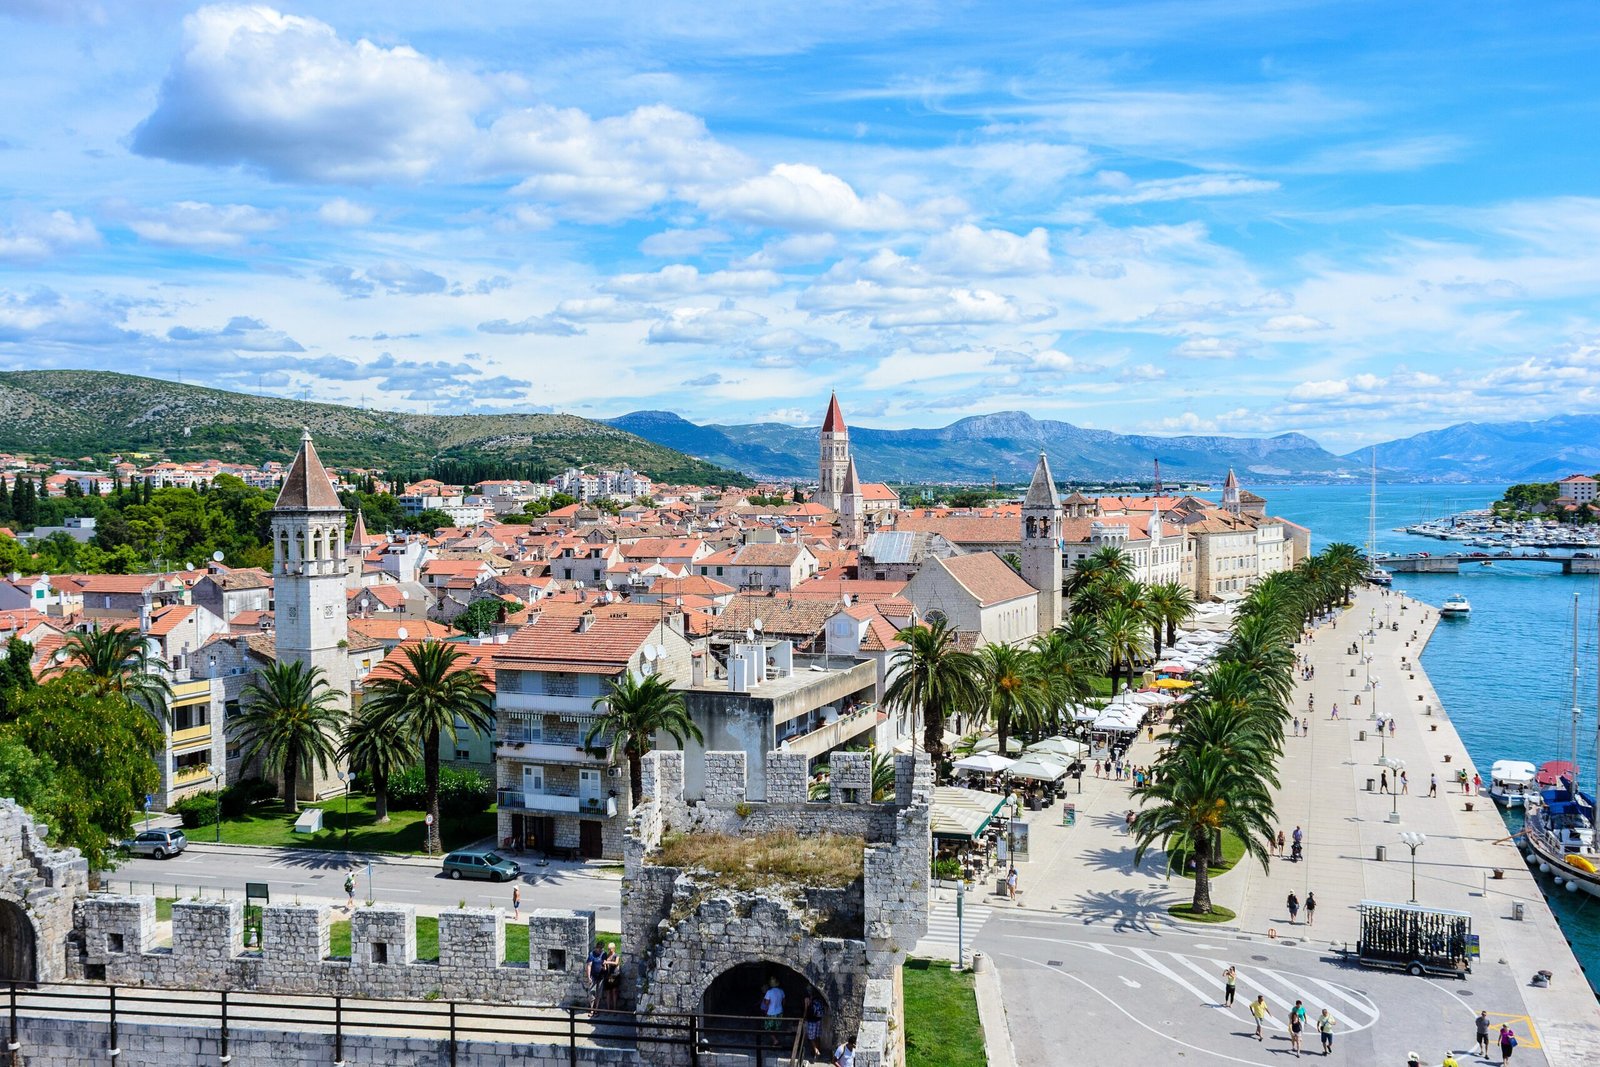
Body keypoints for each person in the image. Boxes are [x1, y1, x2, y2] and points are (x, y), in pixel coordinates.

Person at [803, 990, 828, 1059]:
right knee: (817, 1036)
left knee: (811, 1038)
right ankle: (818, 1050)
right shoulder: (818, 999)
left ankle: (816, 1050)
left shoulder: (808, 1000)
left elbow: (806, 1010)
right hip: (818, 1020)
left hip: (811, 1021)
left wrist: (804, 1017)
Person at [586, 942, 606, 1013]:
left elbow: (605, 964)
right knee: (591, 992)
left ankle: (596, 1009)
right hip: (593, 977)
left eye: (602, 949)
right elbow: (589, 966)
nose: (601, 950)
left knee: (599, 993)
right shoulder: (592, 954)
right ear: (597, 948)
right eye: (600, 949)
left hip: (601, 977)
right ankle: (591, 1009)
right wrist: (589, 977)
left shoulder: (604, 954)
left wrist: (604, 968)